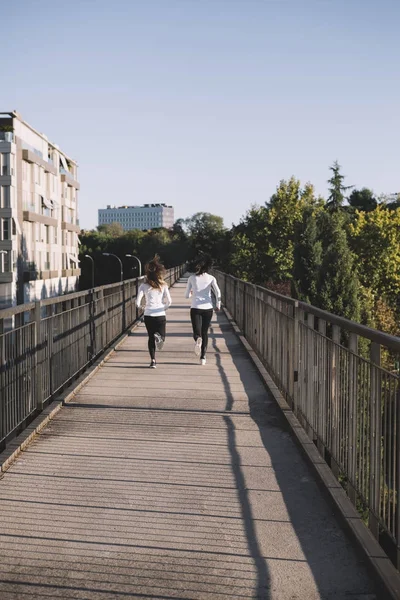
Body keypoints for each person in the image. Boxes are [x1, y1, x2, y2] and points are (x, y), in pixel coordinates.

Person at [136, 255, 171, 368]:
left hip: (148, 314)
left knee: (150, 338)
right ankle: (159, 336)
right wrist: (163, 308)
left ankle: (153, 360)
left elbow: (137, 303)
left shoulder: (143, 286)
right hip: (160, 314)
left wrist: (142, 308)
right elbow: (169, 301)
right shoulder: (163, 285)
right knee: (162, 338)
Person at [185, 255, 221, 365]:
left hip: (195, 307)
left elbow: (187, 295)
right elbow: (218, 292)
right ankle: (203, 357)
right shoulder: (211, 278)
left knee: (197, 331)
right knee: (205, 332)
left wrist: (191, 294)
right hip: (208, 308)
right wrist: (218, 304)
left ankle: (197, 340)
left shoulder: (191, 278)